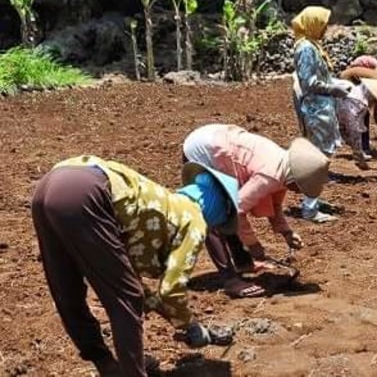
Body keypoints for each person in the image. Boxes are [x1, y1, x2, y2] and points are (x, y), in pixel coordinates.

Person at [31, 155, 239, 376]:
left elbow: (136, 286)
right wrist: (191, 325)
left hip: (49, 185)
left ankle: (107, 366)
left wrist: (181, 323)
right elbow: (171, 290)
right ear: (219, 208)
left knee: (67, 291)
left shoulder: (161, 206)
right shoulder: (194, 219)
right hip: (86, 192)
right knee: (125, 300)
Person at [181, 125, 331, 297]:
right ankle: (230, 280)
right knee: (214, 210)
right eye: (302, 187)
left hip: (219, 141)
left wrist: (287, 232)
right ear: (297, 178)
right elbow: (238, 209)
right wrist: (253, 245)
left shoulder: (285, 169)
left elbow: (275, 207)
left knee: (226, 207)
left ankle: (243, 262)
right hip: (204, 149)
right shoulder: (270, 175)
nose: (300, 192)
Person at [291, 5, 349, 219]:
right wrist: (333, 88)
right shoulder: (306, 48)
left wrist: (334, 84)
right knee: (318, 158)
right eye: (323, 24)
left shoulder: (313, 46)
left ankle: (312, 196)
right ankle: (310, 205)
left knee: (320, 156)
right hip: (316, 110)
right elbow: (309, 83)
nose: (326, 29)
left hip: (322, 108)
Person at [332, 77, 377, 167]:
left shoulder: (354, 90)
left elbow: (343, 128)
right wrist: (358, 153)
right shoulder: (358, 102)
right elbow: (353, 129)